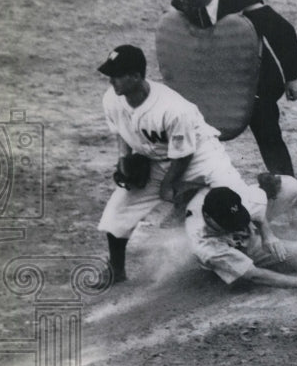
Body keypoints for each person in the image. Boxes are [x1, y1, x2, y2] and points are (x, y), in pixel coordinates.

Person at [96, 43, 279, 284]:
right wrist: (123, 160)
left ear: (137, 76)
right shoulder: (112, 99)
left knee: (238, 198)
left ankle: (270, 199)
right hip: (155, 160)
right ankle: (116, 271)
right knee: (116, 214)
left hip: (201, 157)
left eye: (117, 76)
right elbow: (121, 131)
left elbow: (184, 155)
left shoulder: (173, 109)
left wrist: (167, 186)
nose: (112, 81)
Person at [168, 0, 297, 180]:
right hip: (215, 81)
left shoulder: (241, 3)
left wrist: (293, 77)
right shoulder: (184, 6)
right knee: (194, 134)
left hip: (257, 82)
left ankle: (289, 190)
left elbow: (283, 31)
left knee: (268, 134)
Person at [185, 182, 297, 297]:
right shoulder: (204, 244)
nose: (234, 226)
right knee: (244, 278)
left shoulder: (235, 196)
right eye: (228, 224)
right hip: (223, 253)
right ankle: (226, 271)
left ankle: (260, 257)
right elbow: (254, 275)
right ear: (208, 217)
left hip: (247, 241)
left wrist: (267, 234)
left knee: (289, 186)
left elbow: (259, 203)